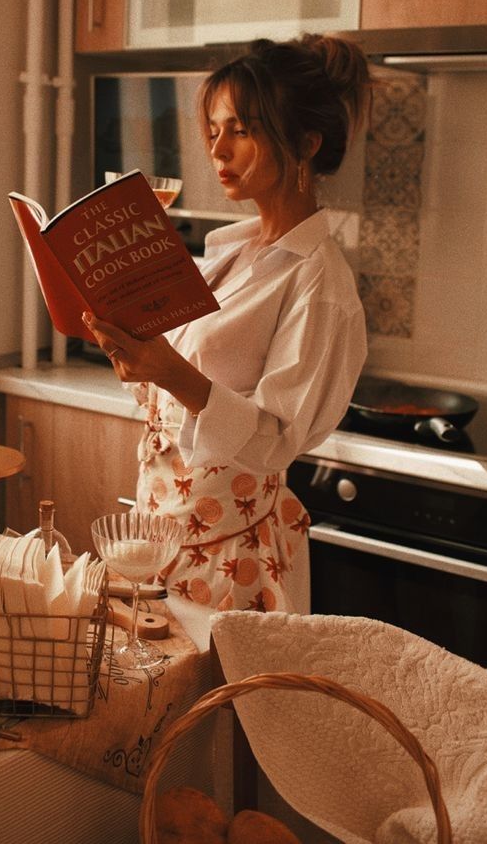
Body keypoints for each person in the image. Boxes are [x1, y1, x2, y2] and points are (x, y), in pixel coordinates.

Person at [83, 34, 371, 614]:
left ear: (306, 143)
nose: (218, 151)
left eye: (241, 130)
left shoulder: (320, 284)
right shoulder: (230, 254)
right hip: (160, 539)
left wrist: (166, 368)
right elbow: (175, 389)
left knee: (215, 704)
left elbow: (275, 440)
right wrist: (134, 353)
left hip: (233, 560)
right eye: (213, 131)